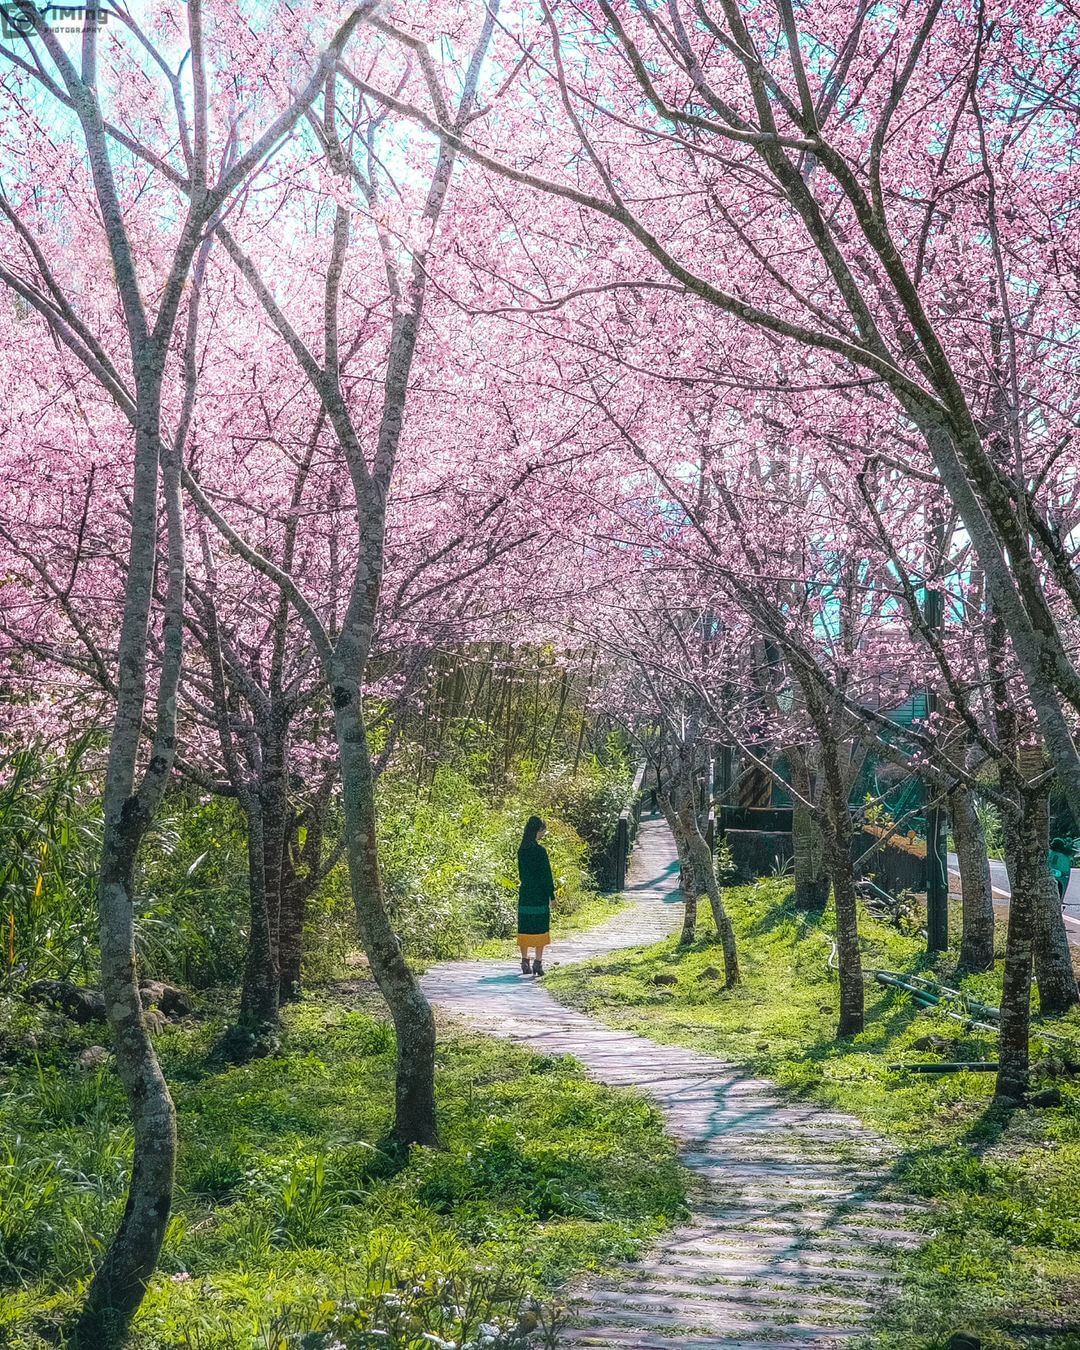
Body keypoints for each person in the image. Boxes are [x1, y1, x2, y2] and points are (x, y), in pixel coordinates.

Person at [517, 815, 555, 976]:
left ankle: (525, 961)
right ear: (538, 831)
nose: (543, 835)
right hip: (539, 894)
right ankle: (537, 963)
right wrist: (551, 895)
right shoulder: (540, 851)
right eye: (543, 832)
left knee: (524, 927)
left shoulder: (522, 850)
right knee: (540, 928)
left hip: (526, 892)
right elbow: (546, 875)